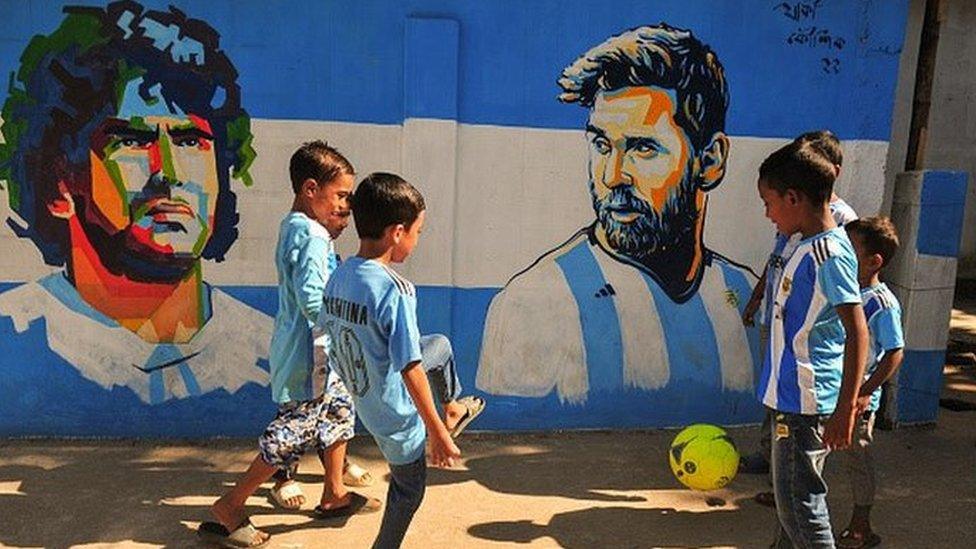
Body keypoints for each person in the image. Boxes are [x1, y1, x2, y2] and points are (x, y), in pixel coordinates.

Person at [0, 1, 269, 430]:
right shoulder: (14, 330)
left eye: (190, 142)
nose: (170, 173)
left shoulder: (266, 350)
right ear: (59, 184)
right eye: (131, 141)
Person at [478, 24, 759, 409]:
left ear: (709, 161)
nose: (612, 176)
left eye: (643, 148)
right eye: (602, 145)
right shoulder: (535, 304)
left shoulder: (745, 293)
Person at [199, 143, 380, 548]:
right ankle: (231, 504)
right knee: (293, 432)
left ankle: (334, 494)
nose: (347, 206)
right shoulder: (312, 236)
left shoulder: (300, 227)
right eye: (341, 195)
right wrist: (354, 327)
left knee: (338, 412)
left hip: (319, 351)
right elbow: (313, 299)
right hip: (308, 353)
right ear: (311, 188)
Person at [319, 172, 462, 548]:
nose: (417, 241)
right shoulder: (395, 290)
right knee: (407, 492)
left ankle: (451, 407)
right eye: (418, 232)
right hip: (394, 414)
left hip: (364, 396)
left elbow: (330, 335)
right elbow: (410, 367)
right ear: (398, 232)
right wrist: (437, 433)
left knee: (441, 346)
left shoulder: (340, 274)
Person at [756, 140, 869, 548]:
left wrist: (846, 408)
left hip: (803, 403)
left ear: (793, 197)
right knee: (790, 508)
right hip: (789, 397)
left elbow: (857, 329)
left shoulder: (827, 253)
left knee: (801, 509)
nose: (767, 213)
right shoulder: (803, 247)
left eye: (769, 202)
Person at [837, 217, 904, 549]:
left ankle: (861, 522)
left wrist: (865, 391)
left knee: (857, 459)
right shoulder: (843, 291)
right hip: (828, 393)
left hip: (858, 401)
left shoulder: (881, 303)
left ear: (873, 261)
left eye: (849, 251)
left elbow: (894, 352)